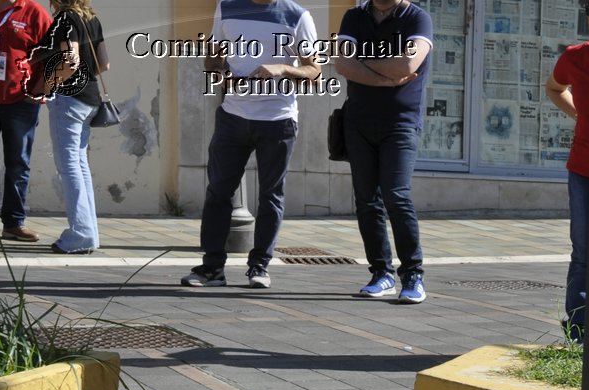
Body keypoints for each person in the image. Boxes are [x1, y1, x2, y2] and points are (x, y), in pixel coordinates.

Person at [181, 0, 323, 290]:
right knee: (218, 192)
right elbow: (213, 57)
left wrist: (283, 68)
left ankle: (259, 267)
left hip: (278, 120)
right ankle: (212, 268)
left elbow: (314, 71)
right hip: (233, 117)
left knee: (271, 196)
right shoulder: (227, 6)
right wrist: (220, 77)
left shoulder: (297, 15)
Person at [333, 0, 432, 305]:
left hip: (400, 124)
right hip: (358, 122)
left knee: (396, 196)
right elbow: (342, 64)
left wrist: (363, 63)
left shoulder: (417, 18)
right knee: (366, 200)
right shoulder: (354, 16)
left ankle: (413, 275)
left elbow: (407, 66)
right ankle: (381, 273)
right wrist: (386, 79)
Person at [543, 3, 589, 341]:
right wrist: (579, 115)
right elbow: (554, 88)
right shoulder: (575, 57)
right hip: (583, 168)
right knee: (583, 252)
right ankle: (578, 331)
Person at [42, 0, 103, 255]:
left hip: (69, 100)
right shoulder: (92, 18)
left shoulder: (65, 20)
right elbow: (105, 64)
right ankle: (88, 233)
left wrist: (48, 86)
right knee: (79, 165)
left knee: (69, 168)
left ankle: (79, 235)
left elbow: (71, 60)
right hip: (90, 99)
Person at [0, 0, 51, 242]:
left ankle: (13, 222)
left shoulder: (35, 13)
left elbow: (55, 57)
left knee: (18, 163)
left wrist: (39, 92)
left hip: (20, 102)